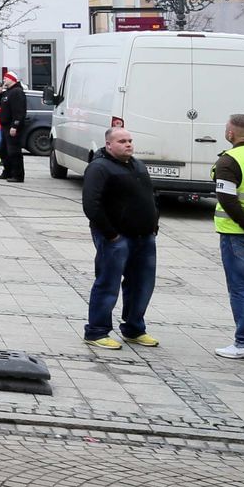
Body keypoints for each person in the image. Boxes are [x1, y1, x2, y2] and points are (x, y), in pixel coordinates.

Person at [80, 126, 159, 350]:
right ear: (109, 145)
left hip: (144, 237)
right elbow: (91, 205)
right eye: (122, 141)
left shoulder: (138, 165)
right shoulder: (99, 167)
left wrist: (154, 224)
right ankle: (96, 331)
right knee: (108, 283)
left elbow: (151, 197)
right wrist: (111, 234)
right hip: (115, 238)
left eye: (130, 140)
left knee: (141, 285)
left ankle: (134, 328)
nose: (128, 144)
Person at [212, 113, 244, 360]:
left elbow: (228, 200)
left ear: (231, 134)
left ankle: (243, 343)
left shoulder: (229, 161)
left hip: (237, 234)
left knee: (241, 287)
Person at [0, 70, 29, 182]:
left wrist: (15, 126)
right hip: (5, 126)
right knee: (3, 151)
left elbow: (19, 112)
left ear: (12, 79)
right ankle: (7, 171)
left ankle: (18, 175)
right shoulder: (8, 92)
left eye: (6, 78)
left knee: (14, 152)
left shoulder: (17, 92)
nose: (4, 79)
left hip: (12, 126)